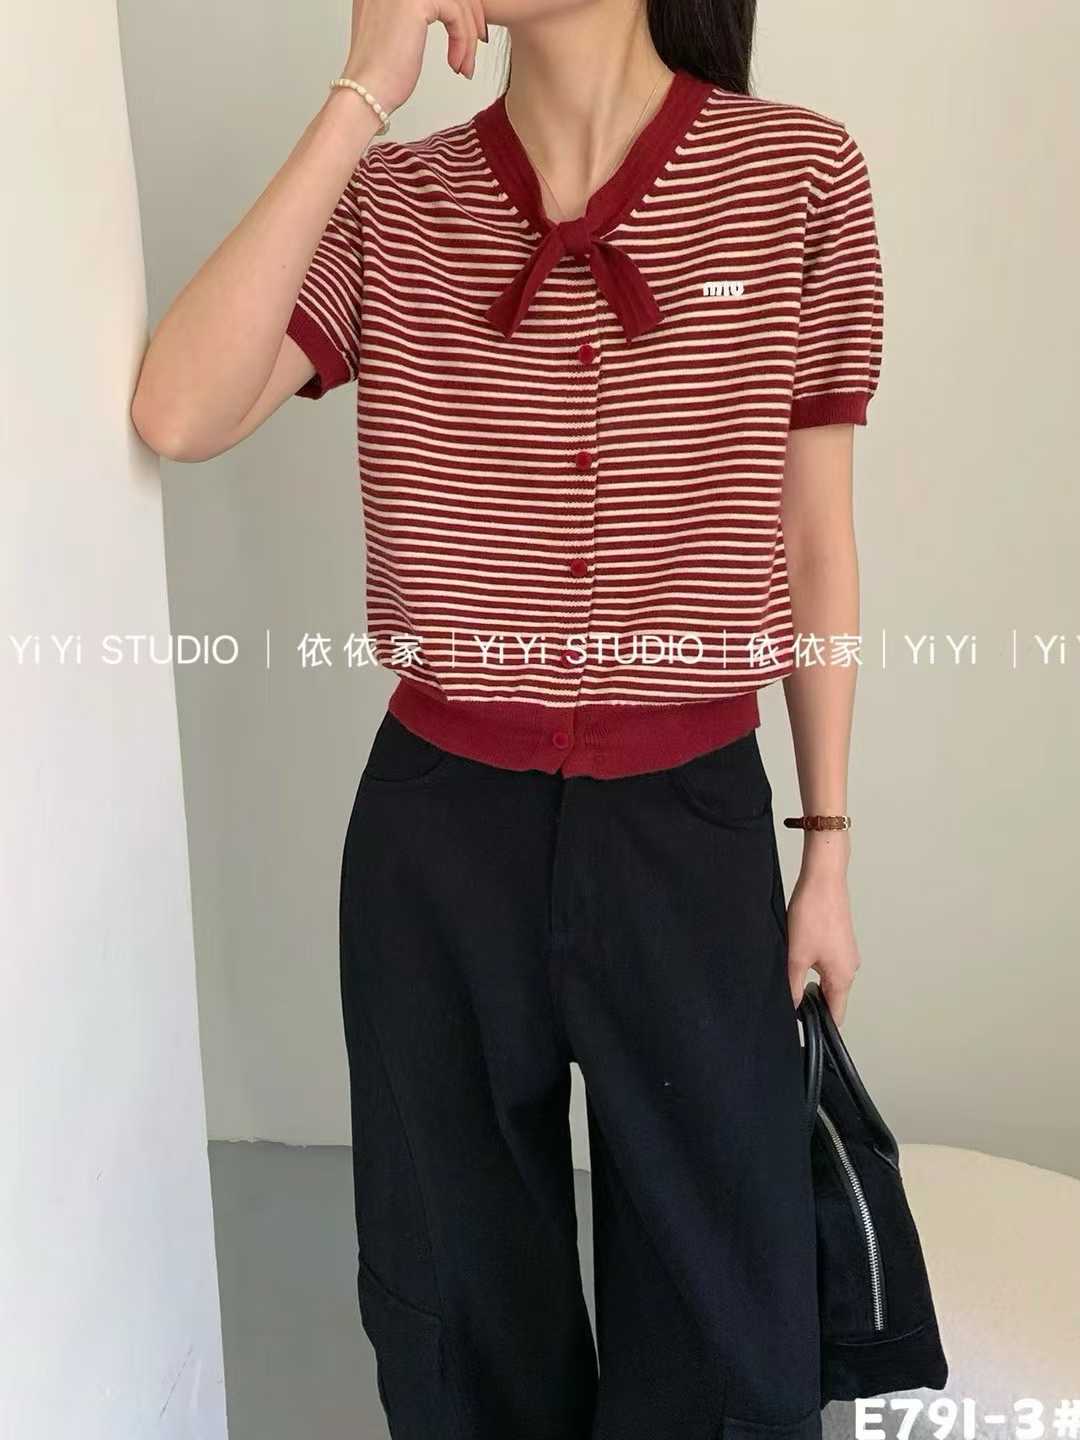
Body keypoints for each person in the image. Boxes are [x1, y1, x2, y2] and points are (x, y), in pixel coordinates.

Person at [131, 2, 884, 1437]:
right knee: (456, 1306)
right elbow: (179, 410)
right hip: (438, 830)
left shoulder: (797, 173)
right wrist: (364, 90)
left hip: (689, 822)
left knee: (726, 1320)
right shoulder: (398, 200)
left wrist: (828, 847)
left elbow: (814, 539)